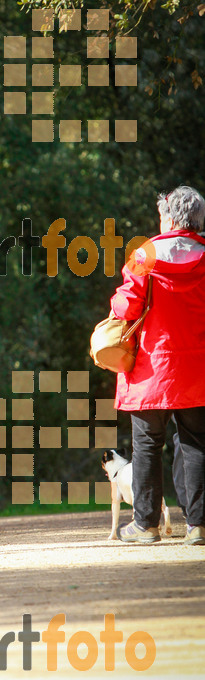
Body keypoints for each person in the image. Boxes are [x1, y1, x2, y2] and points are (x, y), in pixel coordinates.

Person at [110, 185, 205, 546]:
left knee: (148, 444)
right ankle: (199, 525)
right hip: (198, 368)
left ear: (168, 217)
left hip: (154, 366)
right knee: (197, 443)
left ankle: (145, 525)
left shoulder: (145, 254)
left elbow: (128, 307)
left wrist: (116, 305)